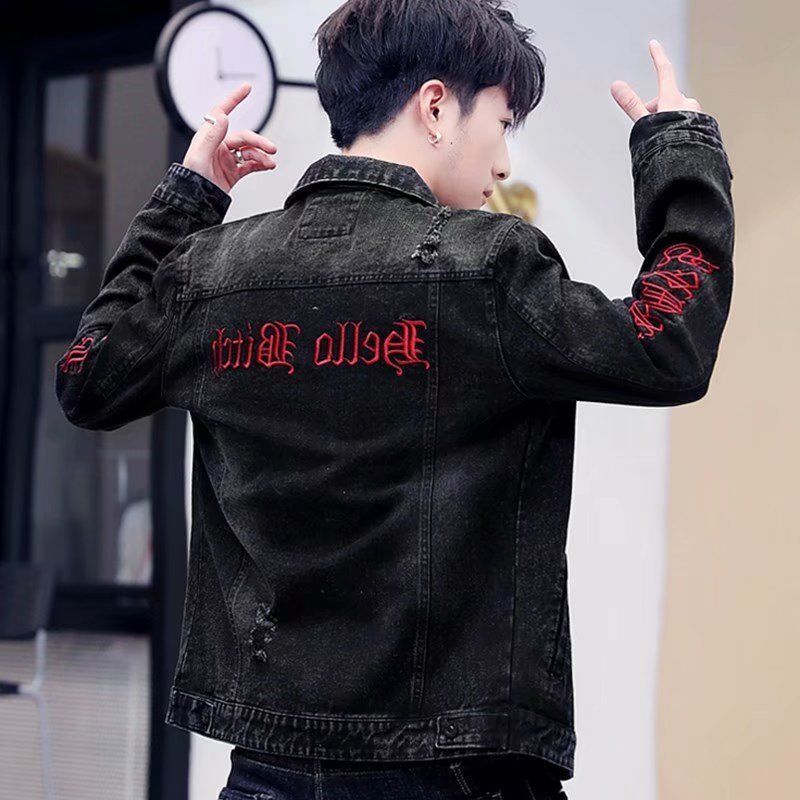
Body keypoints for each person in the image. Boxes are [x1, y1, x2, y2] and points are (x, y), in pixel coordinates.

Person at [54, 1, 735, 798]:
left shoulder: (210, 272)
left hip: (268, 774)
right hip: (454, 773)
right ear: (437, 106)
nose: (503, 162)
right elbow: (667, 344)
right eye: (503, 123)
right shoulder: (488, 268)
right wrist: (679, 147)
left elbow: (86, 376)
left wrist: (190, 197)